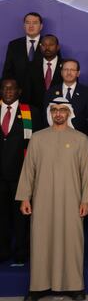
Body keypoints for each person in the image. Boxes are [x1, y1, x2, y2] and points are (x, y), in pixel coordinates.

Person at [16, 98, 88, 301]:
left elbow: (86, 173)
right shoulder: (38, 138)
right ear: (51, 113)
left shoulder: (80, 139)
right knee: (41, 241)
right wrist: (25, 197)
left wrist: (86, 200)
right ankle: (38, 287)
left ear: (69, 113)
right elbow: (28, 170)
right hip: (42, 200)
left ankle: (74, 286)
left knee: (72, 241)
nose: (58, 113)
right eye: (55, 110)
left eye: (63, 110)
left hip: (72, 200)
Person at [0, 79, 42, 264]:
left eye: (12, 88)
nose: (8, 91)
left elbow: (37, 144)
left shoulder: (30, 112)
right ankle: (3, 250)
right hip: (0, 176)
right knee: (1, 215)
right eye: (5, 88)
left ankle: (21, 251)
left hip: (21, 174)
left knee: (21, 216)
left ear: (19, 91)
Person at [44, 58, 88, 134]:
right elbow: (46, 117)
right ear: (61, 72)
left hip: (78, 137)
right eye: (66, 69)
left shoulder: (87, 93)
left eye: (72, 70)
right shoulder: (51, 92)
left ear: (78, 73)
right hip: (54, 135)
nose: (69, 73)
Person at [2, 12, 43, 84]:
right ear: (24, 26)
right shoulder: (14, 45)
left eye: (35, 23)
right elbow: (7, 71)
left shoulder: (49, 44)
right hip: (19, 90)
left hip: (43, 92)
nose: (31, 26)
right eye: (27, 23)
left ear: (41, 26)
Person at [23, 34, 63, 107]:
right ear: (40, 47)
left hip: (60, 112)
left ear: (58, 47)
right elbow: (26, 94)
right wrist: (27, 118)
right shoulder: (31, 67)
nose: (47, 48)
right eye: (44, 45)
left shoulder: (65, 66)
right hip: (36, 113)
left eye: (51, 45)